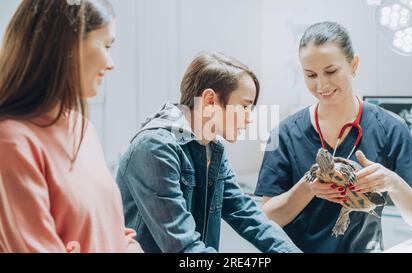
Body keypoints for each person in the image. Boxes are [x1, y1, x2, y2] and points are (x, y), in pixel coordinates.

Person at [255, 21, 412, 253]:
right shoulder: (286, 133)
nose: (321, 84)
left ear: (354, 64)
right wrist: (309, 187)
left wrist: (393, 183)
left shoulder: (391, 128)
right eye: (310, 75)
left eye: (331, 71)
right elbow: (266, 219)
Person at [116, 52, 301, 253]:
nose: (249, 119)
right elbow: (183, 245)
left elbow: (247, 215)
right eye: (245, 106)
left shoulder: (212, 148)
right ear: (210, 100)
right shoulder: (155, 147)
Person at [0, 0, 142, 253]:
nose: (111, 63)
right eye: (106, 45)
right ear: (66, 47)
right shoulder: (11, 142)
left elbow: (115, 234)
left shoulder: (82, 128)